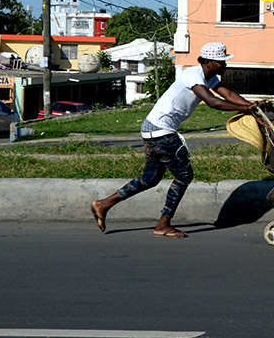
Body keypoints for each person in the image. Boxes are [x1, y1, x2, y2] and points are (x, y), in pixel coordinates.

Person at [90, 42, 257, 238]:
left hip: (152, 129)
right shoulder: (193, 75)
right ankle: (163, 224)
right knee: (184, 176)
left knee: (149, 179)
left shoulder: (208, 77)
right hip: (161, 131)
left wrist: (253, 105)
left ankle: (103, 204)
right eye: (222, 62)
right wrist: (246, 109)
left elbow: (227, 94)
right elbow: (212, 102)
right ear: (209, 62)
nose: (225, 66)